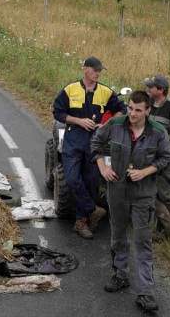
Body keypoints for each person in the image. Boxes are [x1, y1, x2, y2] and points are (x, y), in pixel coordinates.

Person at [91, 90, 170, 312]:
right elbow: (96, 144)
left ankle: (145, 292)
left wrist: (145, 171)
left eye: (138, 110)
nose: (132, 114)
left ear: (148, 111)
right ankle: (120, 274)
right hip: (116, 191)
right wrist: (103, 167)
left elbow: (166, 158)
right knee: (118, 234)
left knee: (142, 240)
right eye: (130, 108)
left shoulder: (158, 132)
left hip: (143, 194)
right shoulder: (116, 124)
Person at [53, 56, 126, 239]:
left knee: (91, 181)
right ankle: (93, 209)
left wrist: (107, 124)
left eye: (100, 71)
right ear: (85, 69)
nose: (98, 73)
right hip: (74, 138)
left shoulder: (106, 92)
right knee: (71, 178)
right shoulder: (70, 90)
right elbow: (58, 112)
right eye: (95, 70)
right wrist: (78, 120)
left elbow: (122, 110)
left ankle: (81, 222)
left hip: (95, 140)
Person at [144, 74, 170, 239]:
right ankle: (162, 229)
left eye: (151, 87)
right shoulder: (150, 105)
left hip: (168, 158)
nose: (148, 88)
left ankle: (169, 232)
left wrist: (157, 142)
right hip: (151, 157)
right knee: (150, 191)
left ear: (160, 90)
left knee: (165, 194)